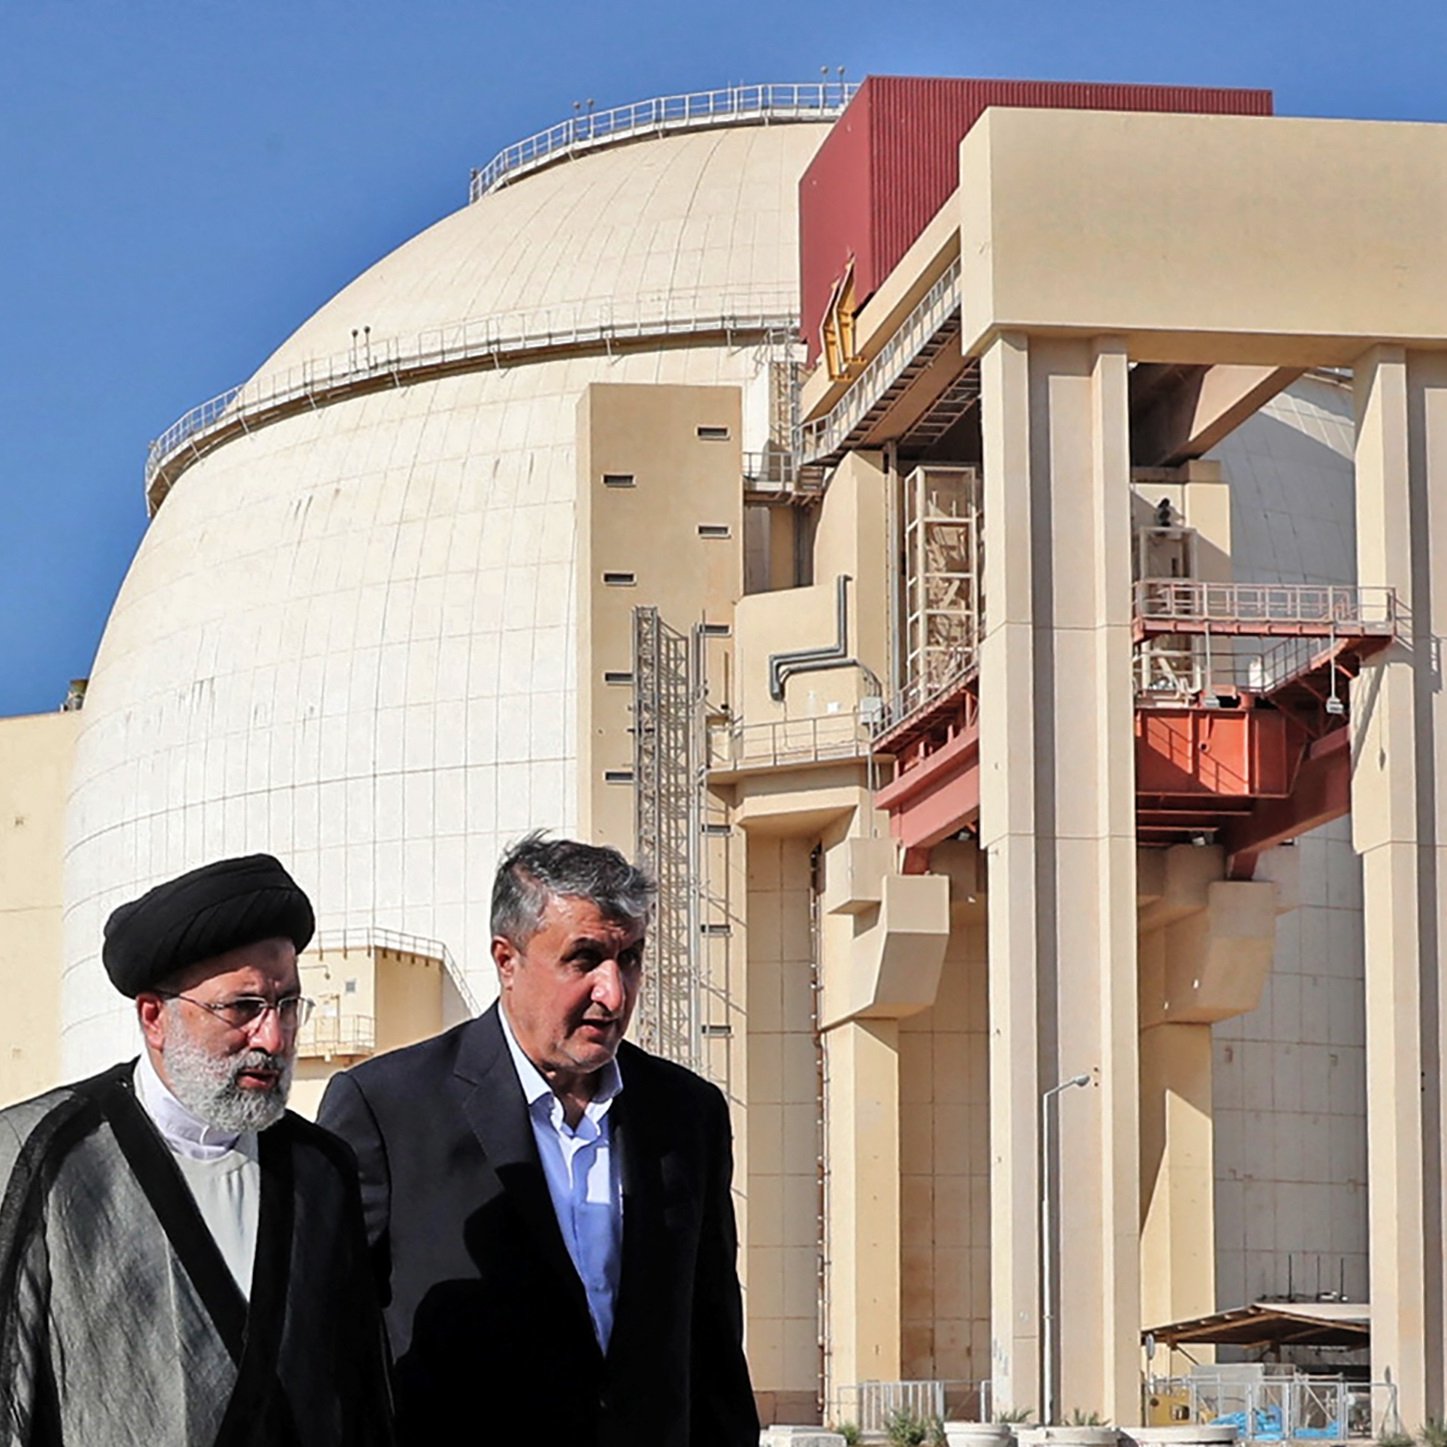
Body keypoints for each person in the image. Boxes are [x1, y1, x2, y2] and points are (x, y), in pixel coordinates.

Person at [319, 833, 759, 1447]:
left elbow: (712, 1342)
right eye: (584, 959)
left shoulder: (688, 1113)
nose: (614, 991)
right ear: (507, 959)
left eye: (629, 958)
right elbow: (329, 1343)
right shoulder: (388, 1110)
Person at [0, 854, 393, 1447]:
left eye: (288, 1005)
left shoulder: (321, 1167)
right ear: (155, 1017)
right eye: (243, 1008)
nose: (274, 1038)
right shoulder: (40, 1157)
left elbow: (360, 1389)